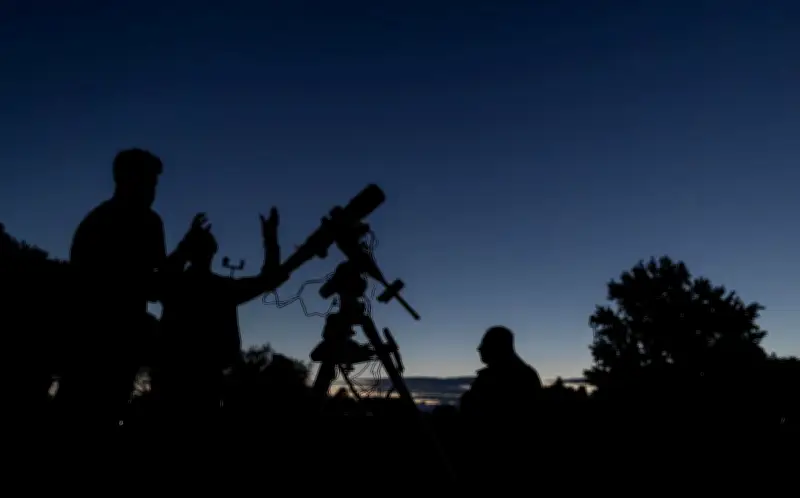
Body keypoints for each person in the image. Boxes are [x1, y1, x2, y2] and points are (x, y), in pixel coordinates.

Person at [58, 148, 202, 428]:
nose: (152, 191)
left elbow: (154, 283)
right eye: (147, 182)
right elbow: (154, 286)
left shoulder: (98, 220)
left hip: (91, 343)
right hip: (106, 345)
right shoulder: (143, 222)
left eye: (154, 185)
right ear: (125, 179)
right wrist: (185, 251)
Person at [153, 208, 288, 422]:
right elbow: (268, 280)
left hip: (170, 375)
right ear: (212, 253)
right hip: (204, 378)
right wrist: (271, 240)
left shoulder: (174, 284)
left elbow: (158, 281)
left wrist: (185, 244)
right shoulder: (221, 288)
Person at [459, 326, 543, 417]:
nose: (479, 348)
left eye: (485, 343)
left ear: (497, 346)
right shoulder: (526, 374)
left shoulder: (519, 377)